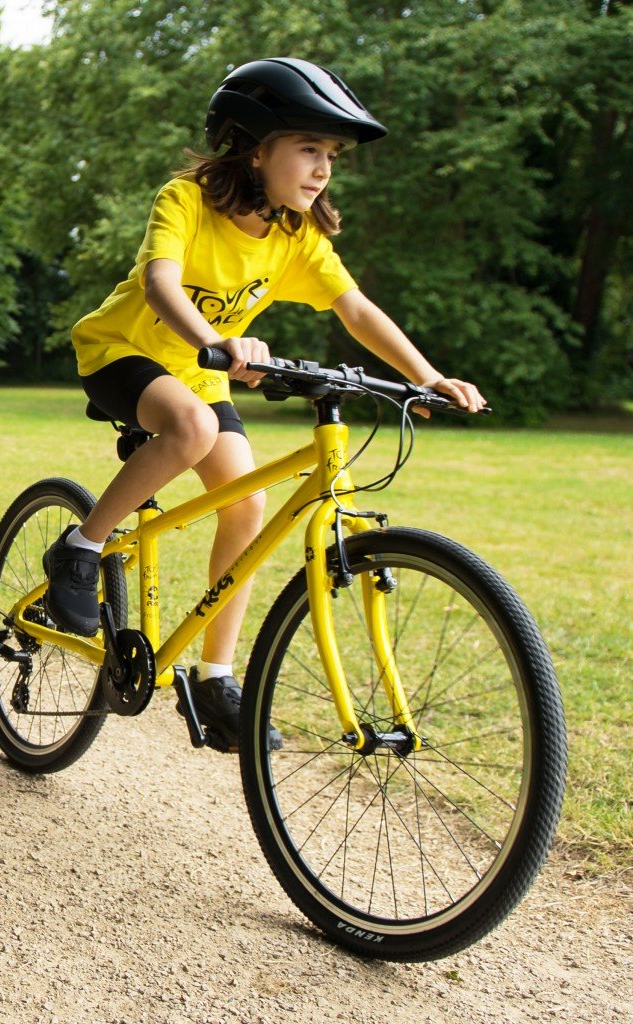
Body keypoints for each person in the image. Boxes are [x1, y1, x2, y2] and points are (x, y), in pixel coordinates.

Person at [41, 57, 486, 751]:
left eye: (330, 155)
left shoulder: (296, 237)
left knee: (245, 503)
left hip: (203, 373)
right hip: (121, 352)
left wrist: (426, 377)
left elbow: (356, 310)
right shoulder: (185, 200)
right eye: (308, 149)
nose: (323, 168)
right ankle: (81, 546)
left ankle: (216, 677)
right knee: (187, 426)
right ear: (256, 148)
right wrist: (214, 340)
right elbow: (160, 284)